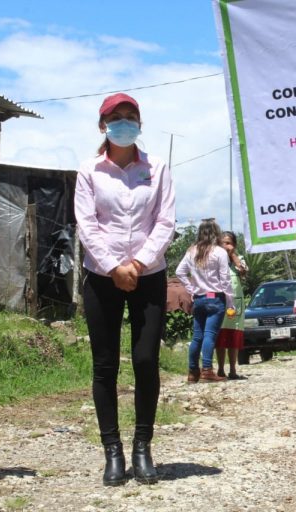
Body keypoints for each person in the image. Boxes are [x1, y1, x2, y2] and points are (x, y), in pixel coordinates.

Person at [74, 93, 176, 486]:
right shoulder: (89, 171)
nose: (123, 122)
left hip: (148, 274)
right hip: (102, 275)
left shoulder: (158, 167)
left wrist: (138, 263)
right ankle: (112, 452)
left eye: (130, 116)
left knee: (146, 359)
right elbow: (86, 223)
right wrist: (114, 265)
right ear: (103, 126)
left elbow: (165, 221)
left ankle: (142, 448)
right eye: (115, 117)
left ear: (140, 123)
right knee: (105, 365)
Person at [176, 219, 234, 383]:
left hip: (199, 298)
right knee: (210, 335)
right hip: (215, 298)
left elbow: (179, 272)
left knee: (197, 336)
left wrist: (191, 288)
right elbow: (225, 279)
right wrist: (230, 301)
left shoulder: (191, 252)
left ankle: (193, 371)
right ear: (216, 233)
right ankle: (207, 370)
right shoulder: (220, 252)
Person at [215, 231, 248, 379]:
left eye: (229, 243)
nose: (226, 246)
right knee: (220, 335)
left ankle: (233, 369)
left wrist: (233, 257)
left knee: (233, 335)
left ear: (234, 245)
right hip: (220, 301)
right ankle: (221, 369)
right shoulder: (214, 259)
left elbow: (244, 272)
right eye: (223, 243)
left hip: (236, 303)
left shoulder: (239, 259)